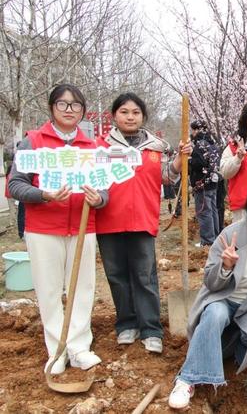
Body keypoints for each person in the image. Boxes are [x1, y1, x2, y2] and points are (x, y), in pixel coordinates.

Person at [168, 178, 247, 409]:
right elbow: (210, 281)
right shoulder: (231, 235)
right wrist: (225, 266)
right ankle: (187, 379)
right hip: (223, 298)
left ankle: (213, 347)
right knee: (214, 315)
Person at [8, 83, 105, 374]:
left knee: (83, 288)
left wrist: (99, 199)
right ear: (52, 107)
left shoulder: (92, 147)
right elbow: (15, 185)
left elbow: (104, 187)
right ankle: (57, 350)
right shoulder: (33, 142)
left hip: (83, 227)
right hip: (43, 228)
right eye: (63, 104)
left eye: (76, 105)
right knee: (49, 290)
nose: (69, 110)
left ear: (83, 111)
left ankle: (79, 347)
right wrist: (44, 195)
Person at [96, 92, 192, 354]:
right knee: (116, 275)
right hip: (109, 219)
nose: (130, 117)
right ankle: (127, 324)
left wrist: (179, 159)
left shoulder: (154, 147)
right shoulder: (101, 147)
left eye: (135, 112)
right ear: (114, 116)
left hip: (142, 219)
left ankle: (151, 329)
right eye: (124, 112)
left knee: (145, 276)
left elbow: (166, 177)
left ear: (143, 116)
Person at [189, 119, 221, 247]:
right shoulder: (212, 143)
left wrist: (189, 160)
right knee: (213, 210)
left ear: (197, 130)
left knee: (204, 212)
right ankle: (215, 236)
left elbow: (200, 163)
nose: (192, 133)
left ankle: (207, 240)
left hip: (202, 184)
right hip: (212, 182)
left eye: (193, 130)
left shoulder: (200, 145)